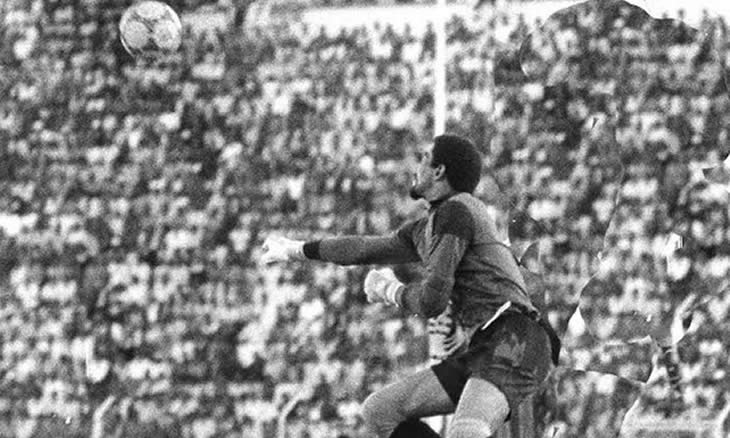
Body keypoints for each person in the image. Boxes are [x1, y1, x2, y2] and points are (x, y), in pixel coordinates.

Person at [262, 134, 560, 438]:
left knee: (466, 431)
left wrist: (389, 290)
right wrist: (296, 250)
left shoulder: (456, 212)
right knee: (380, 411)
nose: (416, 166)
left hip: (515, 337)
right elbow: (363, 249)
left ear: (438, 171)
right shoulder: (430, 226)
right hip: (486, 345)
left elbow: (432, 301)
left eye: (423, 158)